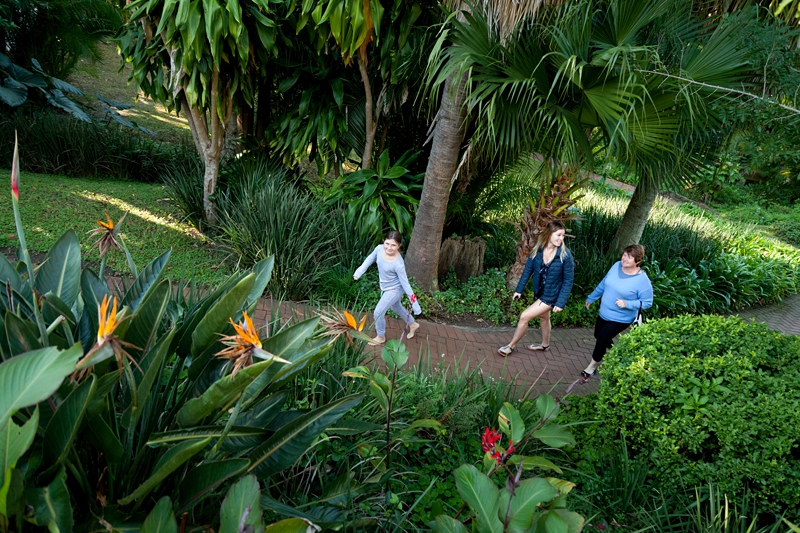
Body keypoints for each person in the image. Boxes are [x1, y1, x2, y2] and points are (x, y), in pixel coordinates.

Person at [498, 221, 575, 357]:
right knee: (544, 318)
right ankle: (545, 345)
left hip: (551, 296)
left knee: (524, 317)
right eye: (558, 235)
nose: (561, 239)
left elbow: (568, 281)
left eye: (563, 236)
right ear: (549, 234)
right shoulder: (538, 250)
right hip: (539, 292)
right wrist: (519, 290)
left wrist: (560, 302)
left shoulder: (565, 255)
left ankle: (511, 346)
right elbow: (528, 271)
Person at [582, 244, 653, 378]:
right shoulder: (616, 266)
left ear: (638, 261)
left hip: (621, 318)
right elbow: (604, 282)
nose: (624, 259)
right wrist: (592, 297)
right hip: (604, 313)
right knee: (598, 335)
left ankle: (592, 367)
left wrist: (627, 303)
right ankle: (615, 350)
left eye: (629, 257)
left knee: (602, 339)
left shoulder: (642, 280)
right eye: (624, 255)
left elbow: (647, 302)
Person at [353, 230, 422, 345]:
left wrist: (415, 305)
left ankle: (381, 336)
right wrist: (359, 272)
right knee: (396, 307)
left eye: (393, 245)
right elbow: (370, 259)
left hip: (395, 289)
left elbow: (405, 284)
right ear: (384, 241)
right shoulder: (379, 249)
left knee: (378, 312)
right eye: (387, 243)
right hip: (385, 287)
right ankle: (413, 324)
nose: (389, 248)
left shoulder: (398, 264)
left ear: (399, 246)